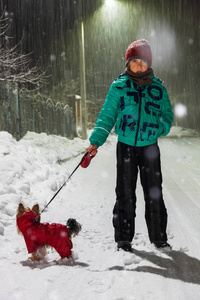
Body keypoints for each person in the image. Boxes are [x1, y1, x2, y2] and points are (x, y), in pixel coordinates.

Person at [87, 39, 174, 252]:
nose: (138, 66)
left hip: (150, 147)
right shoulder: (119, 87)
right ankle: (123, 238)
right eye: (134, 62)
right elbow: (107, 115)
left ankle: (159, 237)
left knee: (154, 192)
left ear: (148, 64)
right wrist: (95, 141)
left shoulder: (158, 89)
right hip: (125, 145)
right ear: (128, 64)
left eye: (142, 62)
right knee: (125, 192)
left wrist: (159, 128)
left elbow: (167, 114)